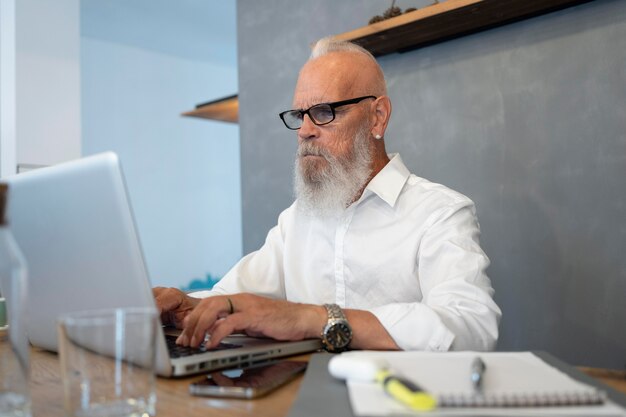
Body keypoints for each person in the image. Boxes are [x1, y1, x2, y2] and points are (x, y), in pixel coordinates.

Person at [154, 37, 501, 353]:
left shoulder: (439, 212)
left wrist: (313, 318)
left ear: (377, 117)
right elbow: (229, 298)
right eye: (299, 115)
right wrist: (185, 306)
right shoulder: (297, 220)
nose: (305, 131)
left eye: (324, 113)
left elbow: (471, 325)